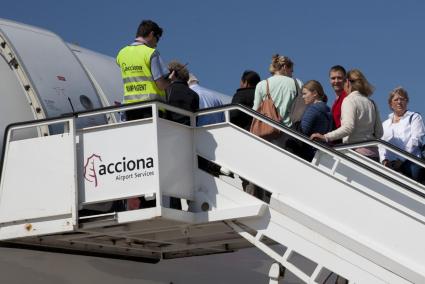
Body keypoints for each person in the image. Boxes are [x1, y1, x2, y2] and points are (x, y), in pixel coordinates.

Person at [311, 69, 383, 161]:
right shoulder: (372, 103)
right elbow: (379, 133)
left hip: (356, 153)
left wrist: (326, 137)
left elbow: (348, 127)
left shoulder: (349, 100)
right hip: (374, 155)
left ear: (348, 82)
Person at [116, 19, 170, 121]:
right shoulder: (151, 53)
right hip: (151, 108)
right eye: (157, 39)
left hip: (130, 108)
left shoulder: (121, 53)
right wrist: (171, 80)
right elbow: (161, 84)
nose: (156, 43)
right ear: (151, 34)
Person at [379, 87, 425, 183]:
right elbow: (381, 145)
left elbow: (416, 140)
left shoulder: (414, 117)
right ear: (390, 104)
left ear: (407, 101)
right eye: (396, 99)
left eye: (402, 99)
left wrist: (400, 159)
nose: (399, 102)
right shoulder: (385, 124)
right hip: (390, 165)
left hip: (410, 163)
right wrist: (384, 160)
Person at [252, 54, 300, 147]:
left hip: (268, 131)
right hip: (290, 131)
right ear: (285, 67)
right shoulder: (297, 83)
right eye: (291, 71)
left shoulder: (262, 84)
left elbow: (255, 111)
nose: (292, 74)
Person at [295, 80, 332, 161]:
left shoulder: (313, 109)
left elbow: (302, 131)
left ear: (314, 93)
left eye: (305, 94)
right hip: (320, 154)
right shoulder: (328, 110)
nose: (303, 97)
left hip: (308, 153)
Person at [166, 60, 199, 126]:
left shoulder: (167, 90)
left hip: (169, 129)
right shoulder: (194, 94)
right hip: (189, 130)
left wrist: (167, 81)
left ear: (172, 74)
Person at [329, 65, 348, 131]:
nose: (336, 81)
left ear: (345, 80)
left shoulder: (348, 97)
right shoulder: (335, 101)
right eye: (333, 78)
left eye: (339, 78)